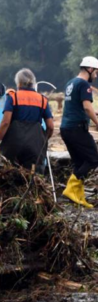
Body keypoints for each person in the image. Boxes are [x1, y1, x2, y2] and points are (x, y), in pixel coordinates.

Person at [0, 68, 53, 171]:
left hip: (13, 146)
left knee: (11, 173)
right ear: (33, 83)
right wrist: (44, 140)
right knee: (33, 176)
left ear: (19, 83)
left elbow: (5, 123)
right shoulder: (42, 100)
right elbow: (50, 126)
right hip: (35, 146)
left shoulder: (13, 98)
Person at [60, 56, 98, 207]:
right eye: (96, 72)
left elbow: (77, 106)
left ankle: (79, 196)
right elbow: (87, 107)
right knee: (93, 159)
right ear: (90, 69)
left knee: (79, 162)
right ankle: (70, 188)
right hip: (77, 129)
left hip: (66, 128)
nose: (96, 75)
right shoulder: (84, 85)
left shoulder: (71, 83)